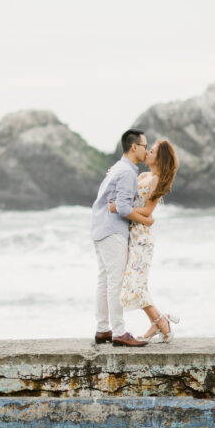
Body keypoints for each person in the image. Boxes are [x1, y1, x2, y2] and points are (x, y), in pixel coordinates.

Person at [110, 139, 180, 342]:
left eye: (153, 151)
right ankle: (159, 322)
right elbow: (127, 196)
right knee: (136, 285)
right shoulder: (143, 175)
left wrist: (119, 209)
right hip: (131, 234)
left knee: (134, 287)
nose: (147, 152)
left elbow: (148, 211)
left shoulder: (156, 180)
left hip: (142, 238)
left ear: (160, 158)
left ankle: (162, 324)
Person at [91, 129, 155, 347]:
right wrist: (146, 220)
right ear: (134, 147)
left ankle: (103, 330)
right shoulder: (126, 172)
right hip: (113, 231)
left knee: (104, 280)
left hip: (99, 228)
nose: (146, 150)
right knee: (115, 282)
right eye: (145, 146)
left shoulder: (119, 168)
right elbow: (124, 208)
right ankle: (119, 332)